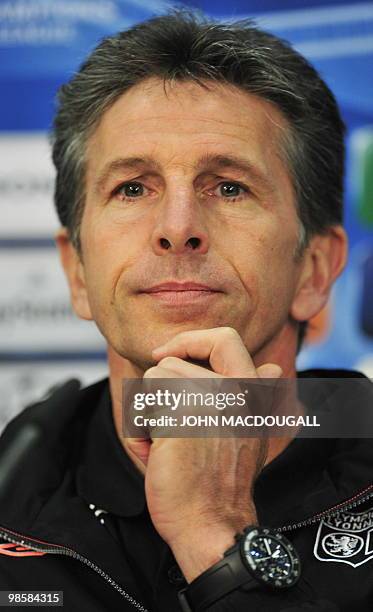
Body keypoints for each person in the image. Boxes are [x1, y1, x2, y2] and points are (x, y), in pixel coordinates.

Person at [0, 10, 372, 612]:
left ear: (315, 270)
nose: (177, 229)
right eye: (133, 188)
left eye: (229, 187)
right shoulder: (11, 487)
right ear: (77, 273)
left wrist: (215, 536)